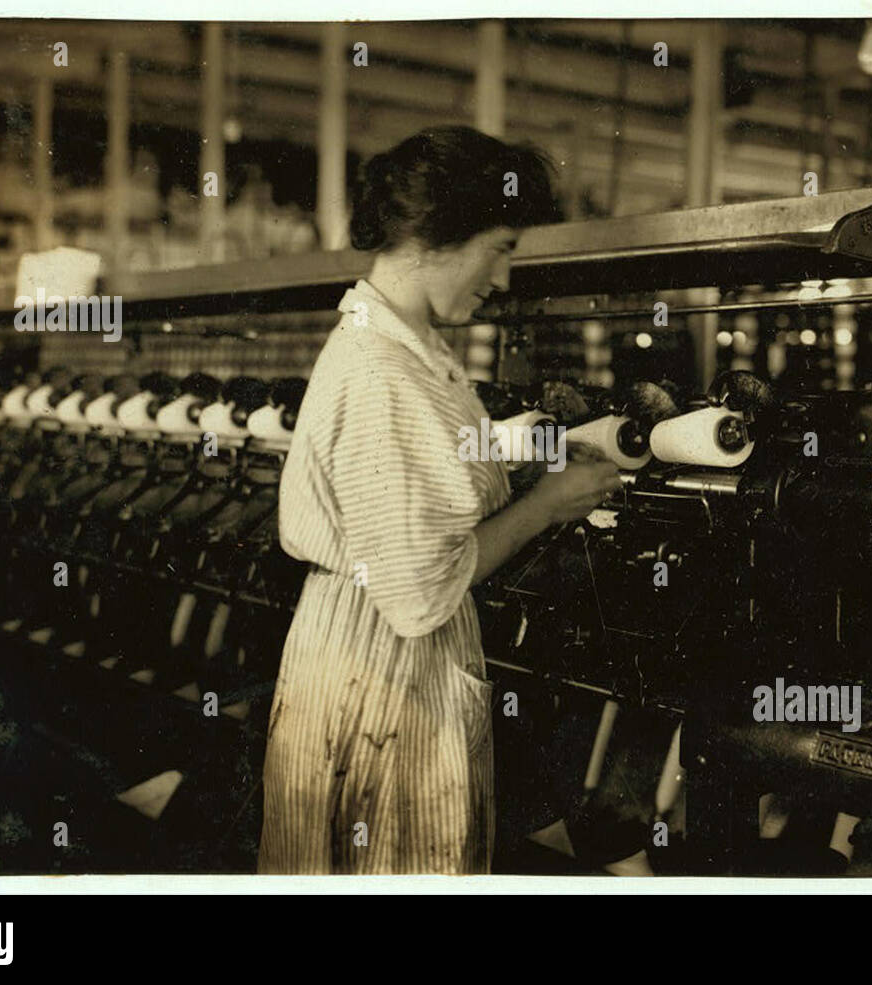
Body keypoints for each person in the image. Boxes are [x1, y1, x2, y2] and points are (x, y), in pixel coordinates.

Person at [257, 126, 622, 874]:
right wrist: (548, 503)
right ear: (447, 233)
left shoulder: (408, 348)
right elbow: (420, 591)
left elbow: (426, 491)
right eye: (503, 247)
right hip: (386, 676)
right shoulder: (383, 370)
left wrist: (526, 468)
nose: (504, 278)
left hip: (377, 656)